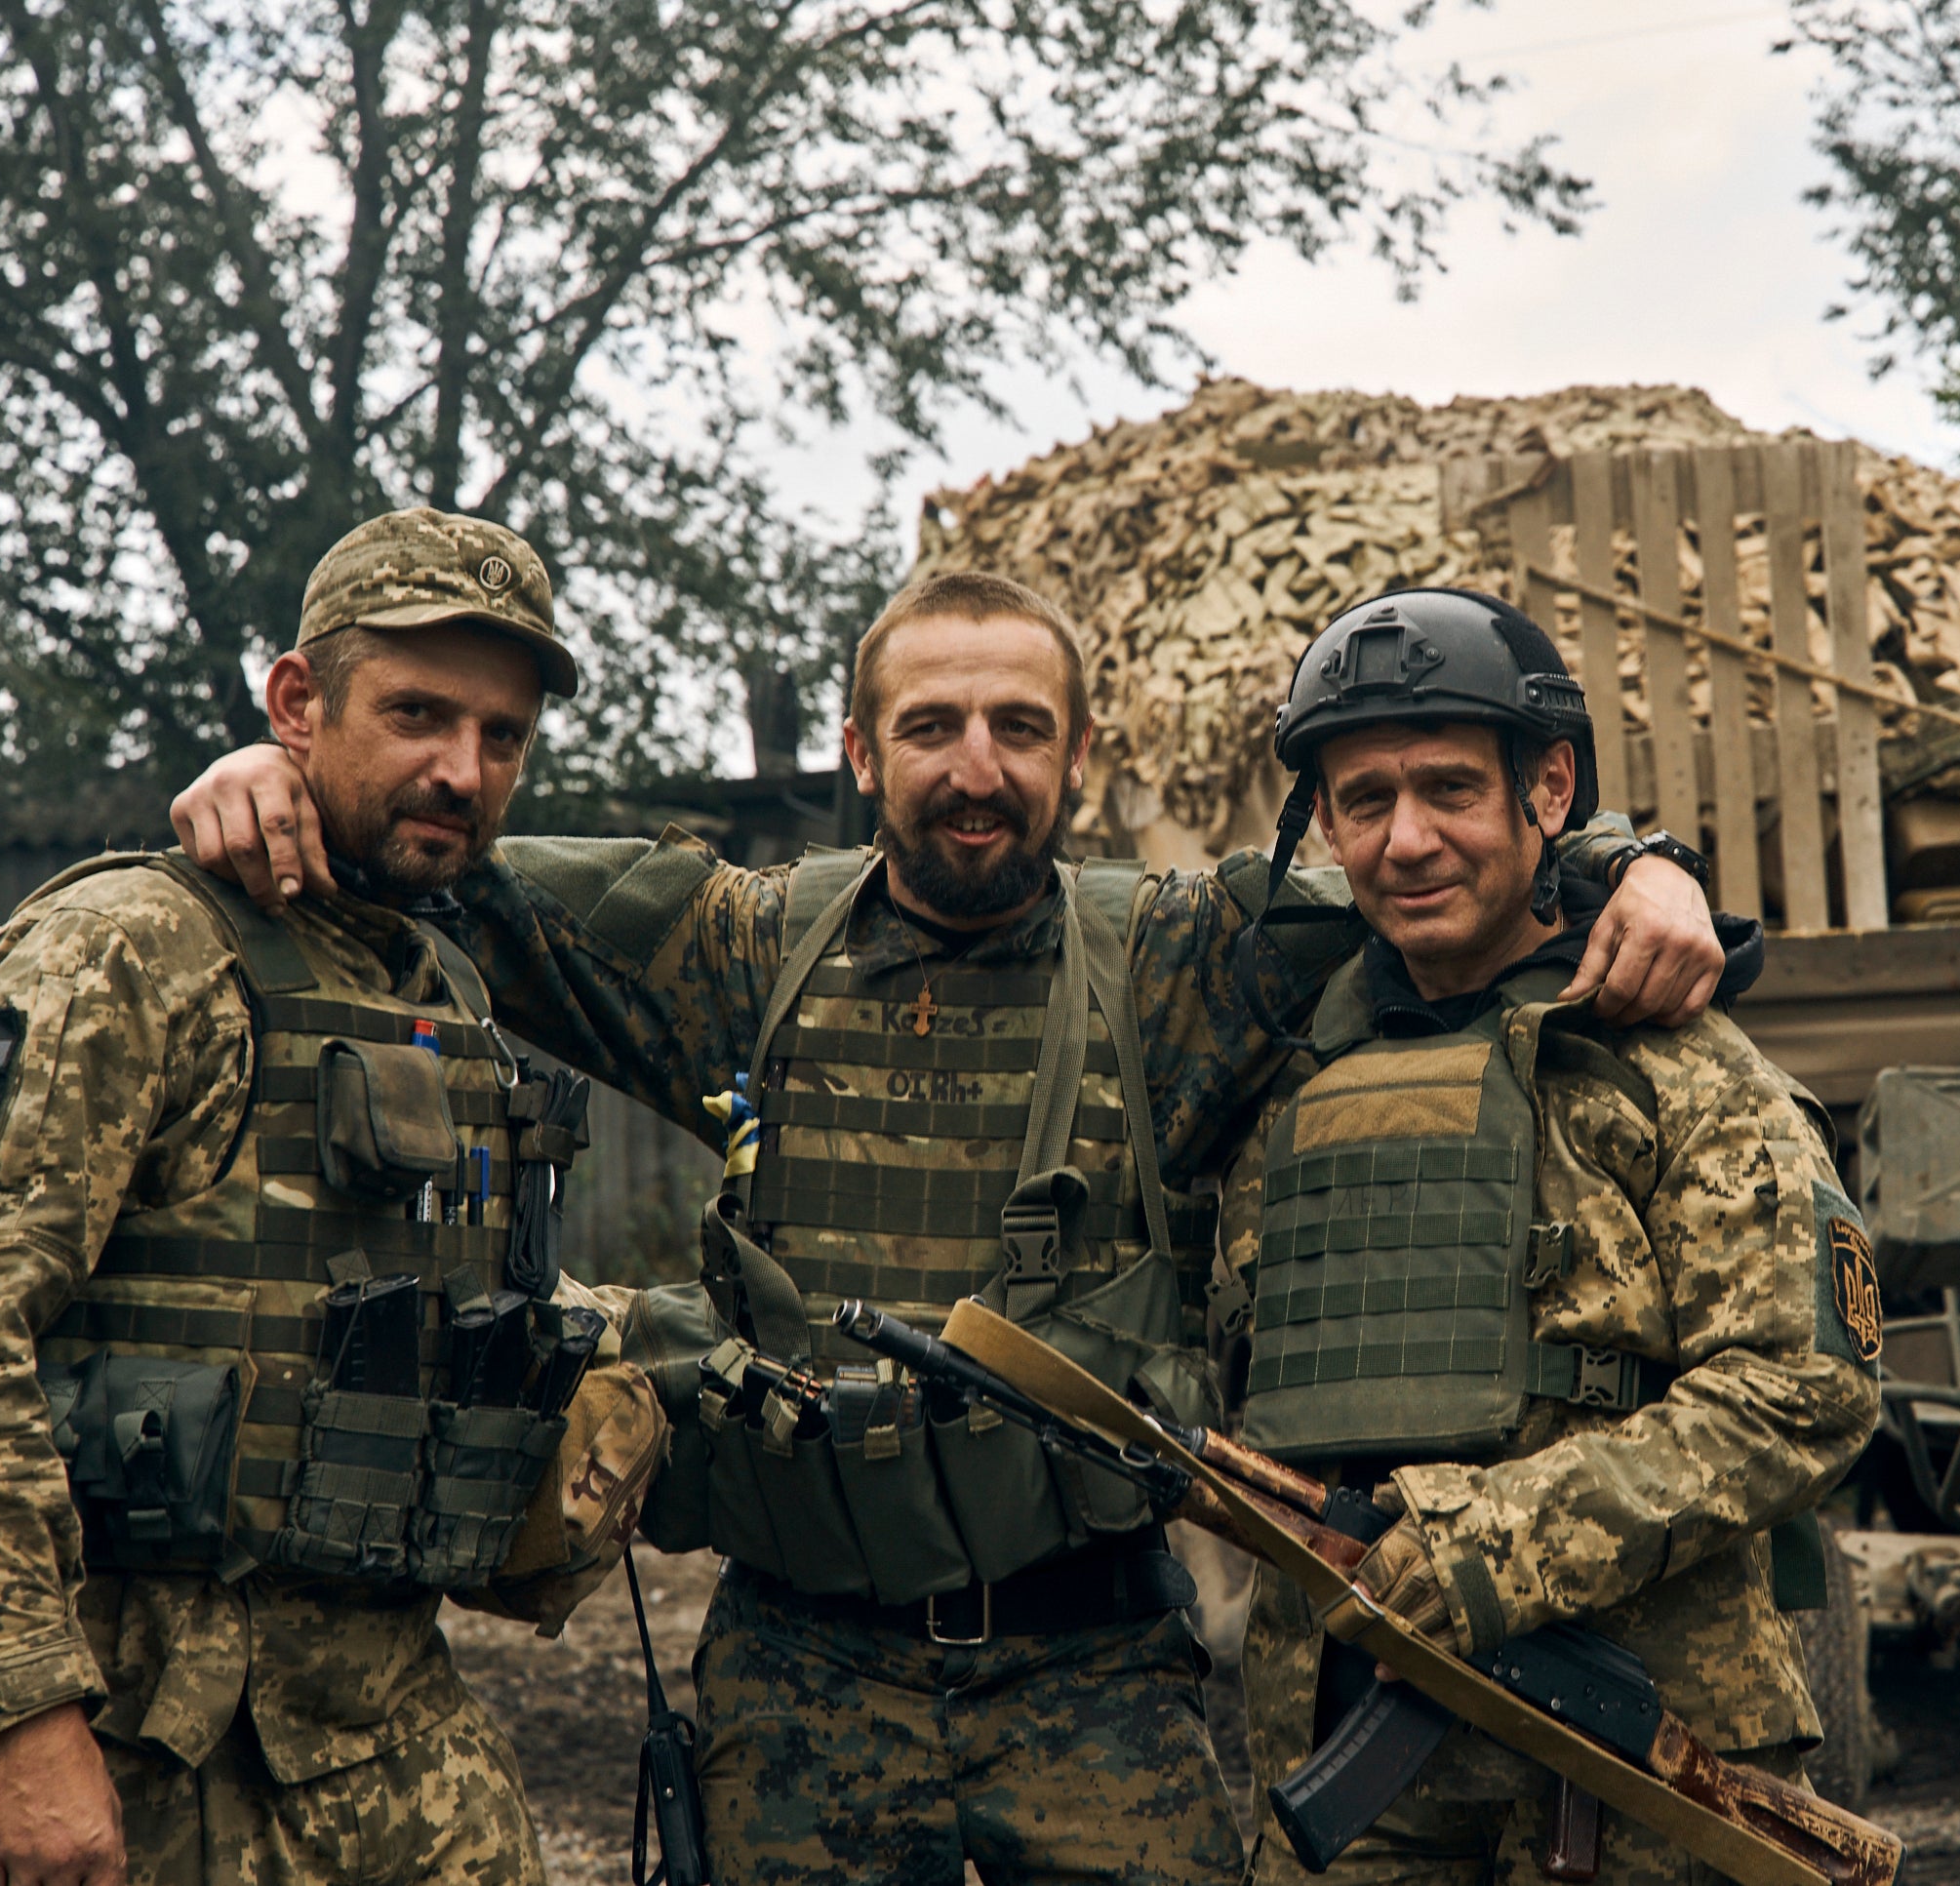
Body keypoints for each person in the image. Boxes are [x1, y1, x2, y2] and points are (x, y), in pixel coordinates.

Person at [168, 569, 1724, 1886]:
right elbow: (442, 858)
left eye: (1017, 728)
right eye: (930, 727)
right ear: (861, 748)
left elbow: (1437, 871)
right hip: (799, 1676)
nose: (974, 766)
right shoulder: (740, 942)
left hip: (1101, 1668)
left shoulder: (1183, 956)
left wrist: (1630, 865)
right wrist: (275, 776)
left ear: (1078, 753)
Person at [0, 510, 617, 1886]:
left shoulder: (436, 993)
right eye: (419, 712)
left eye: (502, 736)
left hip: (384, 1751)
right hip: (133, 1756)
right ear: (297, 704)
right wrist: (15, 1710)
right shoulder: (129, 951)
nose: (463, 769)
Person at [1221, 587, 1884, 1886]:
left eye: (1451, 789)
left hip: (1632, 1758)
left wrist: (1492, 1541)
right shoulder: (1280, 1074)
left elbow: (1807, 1390)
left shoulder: (1681, 1069)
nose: (1407, 839)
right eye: (1364, 800)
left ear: (1549, 787)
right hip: (1345, 1760)